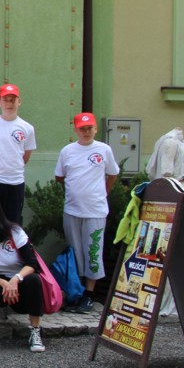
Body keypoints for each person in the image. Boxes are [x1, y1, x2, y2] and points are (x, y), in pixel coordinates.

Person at [55, 112, 119, 313]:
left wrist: (103, 192)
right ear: (75, 130)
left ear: (95, 129)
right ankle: (76, 290)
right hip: (72, 210)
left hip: (95, 211)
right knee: (75, 253)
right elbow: (60, 177)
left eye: (89, 128)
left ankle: (89, 295)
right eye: (82, 129)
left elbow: (113, 174)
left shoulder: (104, 150)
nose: (86, 132)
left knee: (93, 252)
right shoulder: (67, 151)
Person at [0, 196, 46, 353]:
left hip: (20, 276)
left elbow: (32, 263)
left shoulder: (14, 232)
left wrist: (15, 279)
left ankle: (35, 331)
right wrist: (5, 283)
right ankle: (2, 306)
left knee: (34, 280)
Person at [0, 83, 36, 225]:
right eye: (5, 100)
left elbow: (26, 156)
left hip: (15, 181)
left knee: (12, 223)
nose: (9, 104)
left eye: (12, 100)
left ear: (19, 101)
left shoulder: (27, 128)